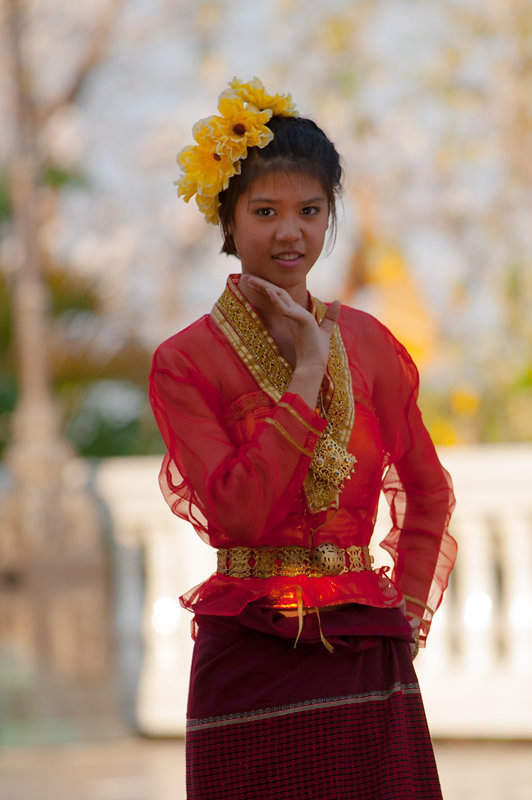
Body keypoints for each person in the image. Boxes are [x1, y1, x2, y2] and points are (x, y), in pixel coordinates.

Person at [149, 76, 457, 800]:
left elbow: (428, 491)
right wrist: (309, 367)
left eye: (310, 210)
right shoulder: (185, 361)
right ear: (226, 220)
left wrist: (406, 618)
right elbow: (238, 515)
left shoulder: (375, 344)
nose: (291, 232)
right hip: (248, 660)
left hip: (367, 653)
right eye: (265, 211)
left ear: (329, 216)